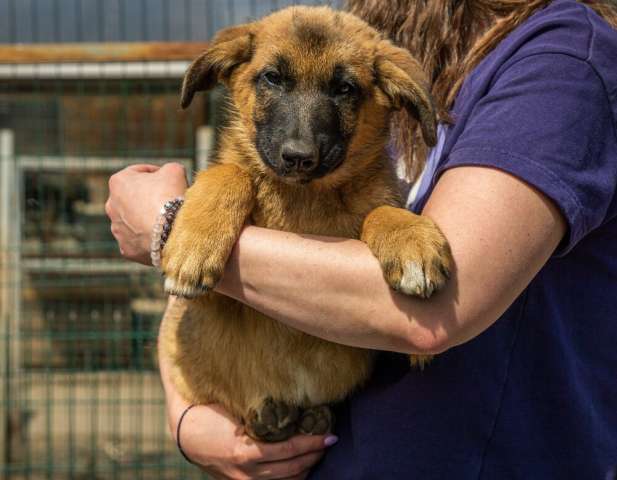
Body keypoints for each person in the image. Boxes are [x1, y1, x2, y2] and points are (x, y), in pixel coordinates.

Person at [106, 0, 617, 478]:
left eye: (344, 90)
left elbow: (433, 317)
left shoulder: (560, 62)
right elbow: (194, 289)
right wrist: (187, 412)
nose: (299, 143)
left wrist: (166, 227)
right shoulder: (394, 37)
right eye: (274, 81)